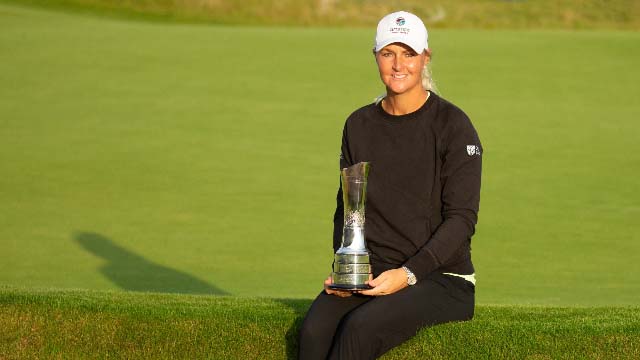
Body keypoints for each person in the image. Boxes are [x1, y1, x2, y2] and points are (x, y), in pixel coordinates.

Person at [298, 10, 483, 360]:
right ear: (376, 57)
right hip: (373, 272)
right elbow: (349, 208)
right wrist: (345, 270)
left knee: (360, 329)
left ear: (425, 57)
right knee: (313, 331)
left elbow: (462, 220)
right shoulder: (359, 125)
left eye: (408, 53)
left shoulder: (454, 126)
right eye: (388, 53)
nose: (398, 64)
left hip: (441, 278)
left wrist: (408, 274)